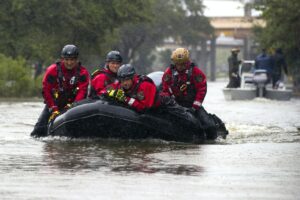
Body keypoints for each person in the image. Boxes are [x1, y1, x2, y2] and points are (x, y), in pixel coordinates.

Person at [161, 47, 228, 139]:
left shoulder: (195, 72)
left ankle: (212, 135)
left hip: (192, 105)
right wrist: (170, 103)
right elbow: (165, 89)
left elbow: (202, 89)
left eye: (182, 64)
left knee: (209, 126)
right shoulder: (168, 73)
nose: (180, 66)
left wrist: (194, 107)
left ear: (187, 62)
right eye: (178, 64)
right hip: (175, 106)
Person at [30, 44, 90, 137]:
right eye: (67, 59)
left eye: (72, 60)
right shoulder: (52, 70)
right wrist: (53, 108)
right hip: (54, 104)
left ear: (76, 59)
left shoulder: (83, 73)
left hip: (73, 105)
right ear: (62, 59)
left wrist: (73, 106)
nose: (69, 63)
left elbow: (82, 92)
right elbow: (46, 90)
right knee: (37, 132)